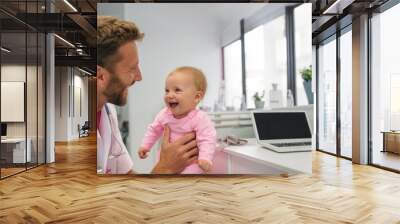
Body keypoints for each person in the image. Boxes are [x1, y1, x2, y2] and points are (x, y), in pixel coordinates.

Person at [97, 16, 199, 174]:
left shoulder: (108, 113)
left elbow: (128, 177)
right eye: (132, 69)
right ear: (100, 76)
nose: (139, 77)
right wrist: (165, 167)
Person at [138, 67, 217, 174]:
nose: (169, 95)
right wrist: (145, 145)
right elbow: (154, 130)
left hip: (192, 164)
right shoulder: (164, 114)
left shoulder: (200, 118)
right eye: (167, 90)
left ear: (197, 97)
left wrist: (205, 158)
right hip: (166, 162)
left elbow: (207, 139)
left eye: (177, 90)